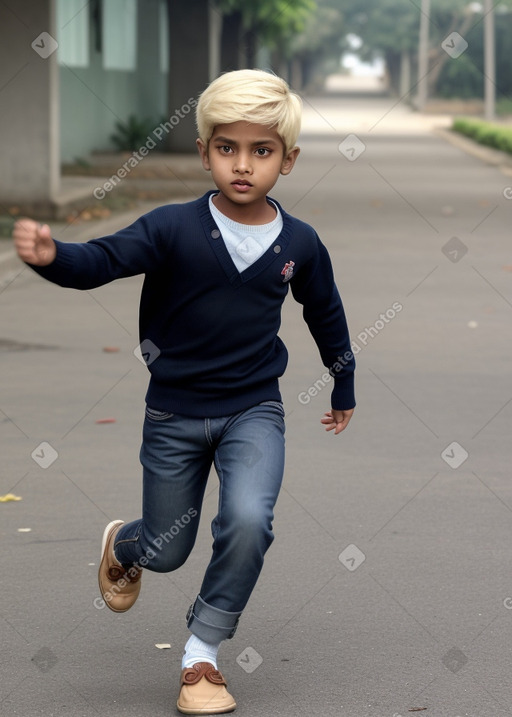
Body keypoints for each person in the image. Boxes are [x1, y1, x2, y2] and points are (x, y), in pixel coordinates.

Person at [13, 68, 355, 714]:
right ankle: (124, 545)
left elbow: (325, 312)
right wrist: (54, 255)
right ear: (203, 152)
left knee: (251, 519)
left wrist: (344, 378)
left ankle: (202, 651)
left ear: (289, 158)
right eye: (227, 148)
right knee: (168, 549)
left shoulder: (300, 243)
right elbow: (104, 260)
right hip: (173, 414)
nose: (244, 165)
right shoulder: (172, 227)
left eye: (262, 150)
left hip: (255, 409)